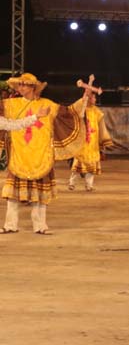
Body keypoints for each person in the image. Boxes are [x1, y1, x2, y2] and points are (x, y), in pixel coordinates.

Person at [1, 73, 88, 234]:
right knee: (13, 195)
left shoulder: (48, 105)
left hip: (41, 153)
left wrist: (83, 100)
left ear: (33, 87)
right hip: (20, 153)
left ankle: (40, 226)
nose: (20, 88)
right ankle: (10, 225)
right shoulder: (10, 105)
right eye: (19, 85)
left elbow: (67, 114)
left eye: (24, 85)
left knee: (40, 194)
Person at [68, 78, 114, 192]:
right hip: (83, 142)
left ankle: (89, 185)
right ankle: (72, 183)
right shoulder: (82, 110)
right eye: (93, 97)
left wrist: (102, 141)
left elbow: (101, 126)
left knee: (91, 166)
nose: (95, 99)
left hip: (92, 142)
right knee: (78, 165)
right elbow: (83, 102)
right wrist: (90, 83)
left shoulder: (97, 111)